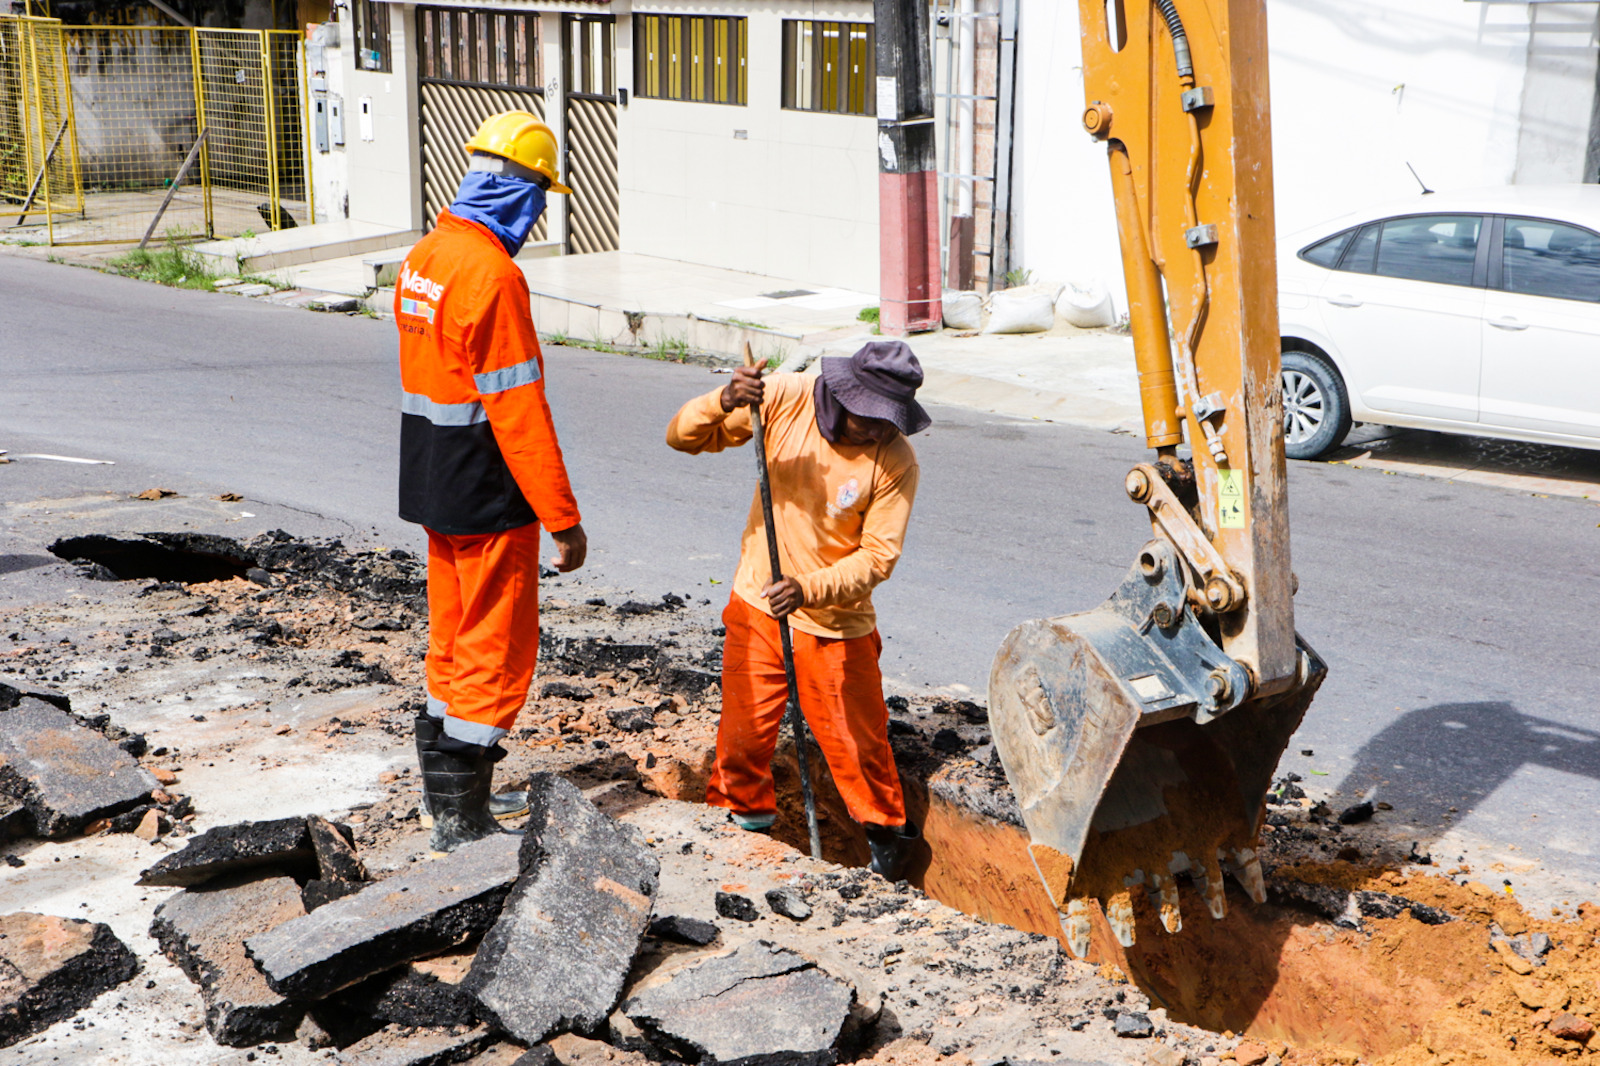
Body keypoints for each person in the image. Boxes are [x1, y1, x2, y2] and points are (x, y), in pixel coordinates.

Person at [395, 111, 587, 854]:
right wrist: (562, 519)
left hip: (432, 476)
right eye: (537, 199)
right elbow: (520, 411)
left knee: (451, 633)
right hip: (487, 486)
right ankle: (460, 815)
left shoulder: (426, 254)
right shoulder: (493, 275)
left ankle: (445, 795)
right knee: (495, 647)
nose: (536, 219)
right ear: (516, 192)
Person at [666, 341, 929, 880]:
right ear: (844, 394)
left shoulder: (895, 459)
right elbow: (682, 437)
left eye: (889, 422)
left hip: (836, 624)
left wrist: (808, 589)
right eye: (870, 418)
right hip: (757, 605)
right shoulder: (783, 399)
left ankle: (886, 858)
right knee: (743, 738)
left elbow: (878, 558)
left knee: (860, 752)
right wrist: (724, 398)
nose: (878, 431)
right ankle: (740, 847)